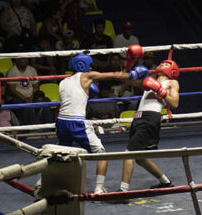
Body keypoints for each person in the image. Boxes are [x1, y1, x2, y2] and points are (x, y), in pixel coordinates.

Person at [57, 46, 145, 194]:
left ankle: (54, 185)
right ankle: (98, 188)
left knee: (61, 156)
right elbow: (114, 76)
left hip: (61, 123)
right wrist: (131, 74)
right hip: (76, 123)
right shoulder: (86, 77)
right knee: (103, 155)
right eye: (89, 66)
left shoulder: (63, 82)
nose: (91, 68)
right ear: (83, 65)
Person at [119, 59, 180, 194]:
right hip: (137, 119)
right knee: (140, 159)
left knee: (128, 153)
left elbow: (175, 103)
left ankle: (123, 192)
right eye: (162, 63)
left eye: (167, 64)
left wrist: (161, 91)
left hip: (150, 119)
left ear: (173, 70)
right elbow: (126, 81)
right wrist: (127, 66)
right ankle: (166, 182)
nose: (163, 64)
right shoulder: (149, 81)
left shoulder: (172, 83)